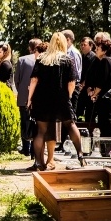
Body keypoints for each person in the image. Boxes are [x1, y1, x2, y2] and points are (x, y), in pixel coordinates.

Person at [27, 32, 86, 171]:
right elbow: (72, 82)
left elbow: (34, 80)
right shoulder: (67, 59)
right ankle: (81, 155)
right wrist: (69, 96)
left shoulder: (42, 59)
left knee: (41, 131)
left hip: (42, 98)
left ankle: (39, 163)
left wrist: (29, 99)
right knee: (71, 125)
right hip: (61, 98)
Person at [85, 37, 111, 138]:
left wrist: (94, 94)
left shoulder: (105, 61)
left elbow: (101, 82)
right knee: (104, 120)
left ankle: (108, 145)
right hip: (108, 97)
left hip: (104, 97)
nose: (95, 50)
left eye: (98, 48)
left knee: (105, 122)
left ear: (104, 50)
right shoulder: (109, 60)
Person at [14, 38, 41, 157]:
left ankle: (26, 148)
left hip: (24, 96)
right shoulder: (43, 60)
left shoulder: (22, 60)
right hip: (39, 96)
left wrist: (22, 90)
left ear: (29, 48)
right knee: (37, 123)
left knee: (24, 122)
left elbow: (17, 80)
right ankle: (34, 151)